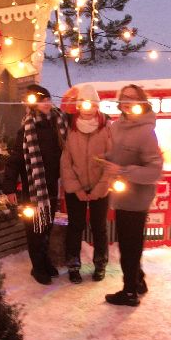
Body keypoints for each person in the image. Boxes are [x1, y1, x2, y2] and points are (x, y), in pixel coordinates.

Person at [104, 84, 164, 307]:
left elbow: (155, 171)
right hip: (121, 195)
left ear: (141, 101)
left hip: (136, 198)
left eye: (132, 97)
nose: (127, 101)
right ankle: (138, 281)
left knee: (129, 246)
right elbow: (116, 154)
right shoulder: (116, 126)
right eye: (124, 97)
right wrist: (106, 161)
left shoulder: (146, 131)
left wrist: (122, 171)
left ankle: (129, 292)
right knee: (127, 243)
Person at [4, 84, 64, 285]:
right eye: (41, 101)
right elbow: (15, 160)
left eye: (47, 99)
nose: (46, 103)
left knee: (46, 226)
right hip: (33, 188)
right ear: (34, 105)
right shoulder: (27, 129)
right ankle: (37, 267)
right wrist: (9, 188)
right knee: (35, 229)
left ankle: (45, 261)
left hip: (51, 185)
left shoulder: (58, 121)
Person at [59, 99, 116, 282]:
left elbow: (111, 160)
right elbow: (66, 163)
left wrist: (100, 188)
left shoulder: (107, 128)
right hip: (76, 188)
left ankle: (100, 264)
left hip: (100, 187)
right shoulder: (71, 128)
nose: (89, 110)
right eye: (85, 105)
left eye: (93, 105)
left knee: (99, 227)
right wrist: (76, 189)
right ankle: (73, 265)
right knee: (75, 226)